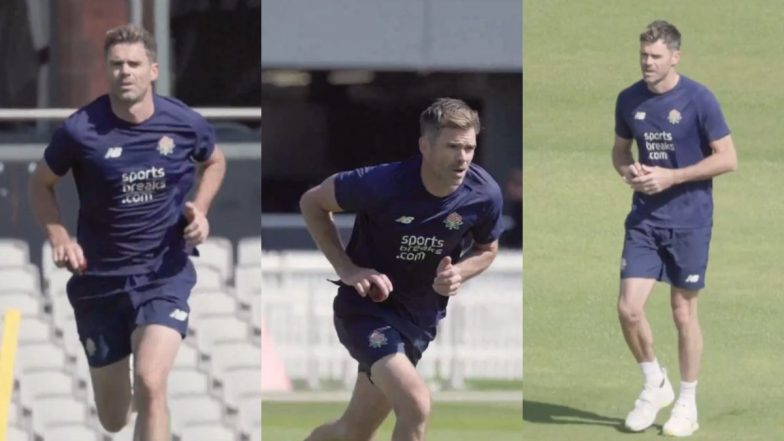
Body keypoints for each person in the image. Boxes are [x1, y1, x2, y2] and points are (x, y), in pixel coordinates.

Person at [28, 24, 226, 441]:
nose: (125, 72)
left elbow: (215, 160)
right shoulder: (80, 130)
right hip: (100, 283)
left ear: (153, 69)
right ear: (106, 70)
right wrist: (60, 236)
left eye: (134, 64)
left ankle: (151, 403)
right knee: (114, 418)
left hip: (163, 274)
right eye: (116, 64)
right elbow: (40, 183)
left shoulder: (183, 122)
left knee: (153, 382)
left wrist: (201, 211)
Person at [300, 98, 504, 441]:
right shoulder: (381, 182)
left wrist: (460, 273)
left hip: (418, 319)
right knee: (416, 403)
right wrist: (347, 269)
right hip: (366, 311)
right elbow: (312, 202)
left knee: (353, 432)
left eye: (469, 147)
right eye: (453, 146)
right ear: (425, 145)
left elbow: (487, 249)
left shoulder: (484, 194)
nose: (463, 157)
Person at [612, 20, 737, 437]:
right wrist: (628, 171)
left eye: (656, 57)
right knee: (629, 309)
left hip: (690, 220)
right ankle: (654, 384)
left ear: (675, 57)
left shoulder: (700, 99)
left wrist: (672, 177)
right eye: (644, 55)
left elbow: (727, 158)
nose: (648, 63)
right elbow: (619, 150)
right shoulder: (629, 99)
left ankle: (687, 403)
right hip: (645, 219)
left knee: (683, 312)